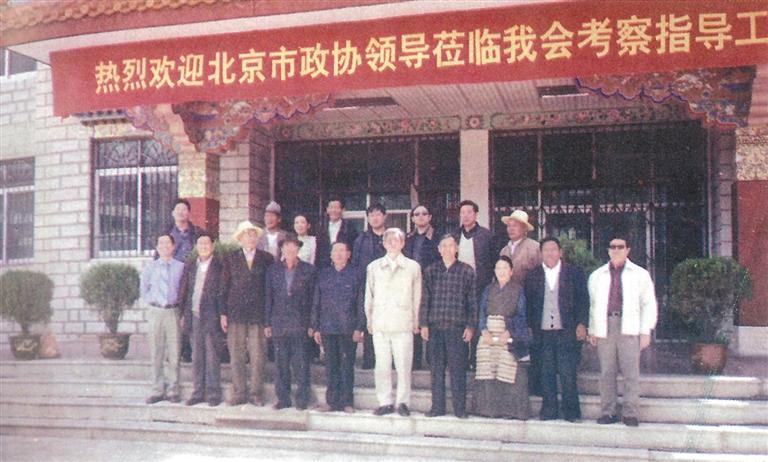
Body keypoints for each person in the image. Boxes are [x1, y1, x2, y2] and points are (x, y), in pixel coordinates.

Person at [588, 233, 657, 427]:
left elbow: (648, 304)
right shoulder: (597, 276)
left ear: (628, 250)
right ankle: (608, 412)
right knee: (606, 372)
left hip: (629, 326)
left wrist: (646, 330)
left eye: (620, 247)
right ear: (608, 250)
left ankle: (630, 413)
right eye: (613, 247)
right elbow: (593, 305)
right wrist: (593, 329)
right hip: (605, 326)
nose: (616, 250)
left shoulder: (640, 274)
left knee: (630, 372)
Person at [524, 237, 589, 422]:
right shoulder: (533, 275)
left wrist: (582, 324)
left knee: (568, 373)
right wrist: (529, 327)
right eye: (546, 250)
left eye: (553, 249)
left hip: (566, 330)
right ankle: (549, 410)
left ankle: (571, 412)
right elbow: (528, 305)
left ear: (560, 252)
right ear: (541, 253)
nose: (550, 253)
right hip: (542, 332)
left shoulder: (573, 273)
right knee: (546, 372)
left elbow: (583, 301)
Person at [365, 228, 421, 417]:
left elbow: (417, 296)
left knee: (404, 365)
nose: (392, 243)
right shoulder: (374, 267)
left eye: (396, 240)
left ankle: (403, 402)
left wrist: (416, 320)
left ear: (403, 243)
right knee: (382, 366)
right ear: (383, 243)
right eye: (388, 240)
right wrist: (369, 319)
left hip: (403, 322)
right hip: (380, 322)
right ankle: (385, 402)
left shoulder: (413, 267)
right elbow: (369, 295)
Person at [420, 234, 477, 418]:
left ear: (456, 248)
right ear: (439, 249)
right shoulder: (431, 271)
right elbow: (425, 299)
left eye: (450, 245)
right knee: (436, 371)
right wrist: (423, 324)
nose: (447, 249)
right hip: (435, 328)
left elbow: (472, 301)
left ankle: (460, 409)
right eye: (443, 246)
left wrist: (471, 326)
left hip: (457, 328)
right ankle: (437, 407)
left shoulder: (466, 271)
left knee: (457, 370)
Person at [220, 221, 274, 406]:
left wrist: (268, 316)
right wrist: (223, 313)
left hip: (258, 313)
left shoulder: (266, 258)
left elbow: (269, 288)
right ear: (240, 238)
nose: (250, 238)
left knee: (258, 354)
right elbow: (224, 286)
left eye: (253, 235)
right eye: (246, 235)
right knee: (236, 354)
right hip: (235, 312)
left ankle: (256, 393)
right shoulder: (230, 258)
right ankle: (239, 392)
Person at [471, 256, 531, 420]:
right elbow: (482, 312)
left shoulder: (518, 290)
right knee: (487, 370)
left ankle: (511, 411)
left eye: (505, 268)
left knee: (508, 370)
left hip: (508, 333)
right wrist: (483, 330)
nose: (501, 271)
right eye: (498, 268)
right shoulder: (488, 289)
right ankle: (488, 410)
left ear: (511, 271)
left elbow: (521, 315)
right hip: (489, 333)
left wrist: (509, 332)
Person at [311, 241, 365, 413]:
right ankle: (331, 401)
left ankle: (347, 402)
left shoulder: (356, 274)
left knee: (347, 365)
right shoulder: (323, 274)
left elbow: (361, 302)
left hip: (348, 327)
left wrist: (359, 327)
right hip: (328, 326)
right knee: (330, 366)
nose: (339, 254)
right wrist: (316, 326)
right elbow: (317, 301)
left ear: (349, 254)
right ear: (331, 255)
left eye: (342, 250)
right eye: (335, 251)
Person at [265, 234, 316, 410]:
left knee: (301, 363)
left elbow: (313, 299)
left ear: (298, 249)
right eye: (286, 246)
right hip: (279, 323)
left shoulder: (309, 270)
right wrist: (267, 323)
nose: (289, 249)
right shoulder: (273, 270)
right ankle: (283, 399)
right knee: (281, 364)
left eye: (293, 246)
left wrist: (312, 324)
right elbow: (268, 298)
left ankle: (302, 399)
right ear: (282, 249)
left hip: (300, 323)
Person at [499, 210, 542, 395]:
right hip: (509, 305)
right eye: (509, 225)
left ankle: (533, 386)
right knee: (512, 346)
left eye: (515, 225)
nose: (511, 228)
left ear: (524, 228)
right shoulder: (504, 250)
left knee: (529, 344)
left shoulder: (534, 248)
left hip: (530, 304)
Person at [178, 232, 223, 407]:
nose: (204, 246)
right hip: (194, 315)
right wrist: (183, 314)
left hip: (212, 316)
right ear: (196, 247)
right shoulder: (191, 265)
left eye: (207, 243)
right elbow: (185, 290)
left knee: (212, 356)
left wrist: (221, 315)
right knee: (196, 356)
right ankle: (197, 392)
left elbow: (222, 292)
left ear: (212, 246)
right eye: (200, 243)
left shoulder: (219, 266)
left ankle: (213, 393)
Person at [140, 234, 185, 404]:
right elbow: (144, 290)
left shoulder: (181, 267)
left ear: (173, 247)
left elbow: (183, 290)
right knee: (156, 352)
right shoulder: (150, 268)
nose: (164, 246)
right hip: (156, 312)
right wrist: (153, 303)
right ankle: (157, 390)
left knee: (174, 352)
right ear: (157, 247)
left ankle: (173, 390)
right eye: (161, 243)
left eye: (168, 243)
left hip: (172, 312)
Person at [163, 198, 205, 363]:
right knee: (173, 314)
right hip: (172, 279)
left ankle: (187, 350)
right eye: (178, 209)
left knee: (188, 312)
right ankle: (173, 351)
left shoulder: (196, 233)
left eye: (184, 209)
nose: (181, 212)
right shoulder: (166, 233)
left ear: (189, 213)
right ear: (173, 213)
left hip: (190, 278)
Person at [453, 200, 492, 371]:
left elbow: (493, 261)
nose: (466, 215)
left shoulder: (486, 235)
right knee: (460, 323)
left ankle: (475, 360)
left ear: (476, 214)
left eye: (469, 212)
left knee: (476, 322)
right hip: (458, 287)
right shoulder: (454, 235)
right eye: (462, 212)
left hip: (480, 286)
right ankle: (460, 361)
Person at [404, 204, 440, 370]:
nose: (420, 216)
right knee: (414, 321)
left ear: (430, 217)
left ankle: (433, 361)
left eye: (424, 213)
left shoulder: (437, 237)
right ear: (412, 218)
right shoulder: (408, 238)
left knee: (430, 321)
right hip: (412, 285)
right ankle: (415, 360)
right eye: (417, 214)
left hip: (432, 284)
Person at [352, 203, 387, 370]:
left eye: (378, 214)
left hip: (388, 287)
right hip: (367, 285)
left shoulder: (392, 236)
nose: (375, 218)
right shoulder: (361, 239)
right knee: (369, 321)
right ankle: (369, 359)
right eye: (371, 215)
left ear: (385, 216)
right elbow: (356, 264)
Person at [315, 196, 358, 269]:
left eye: (337, 207)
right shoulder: (320, 228)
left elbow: (353, 250)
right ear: (327, 210)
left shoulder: (349, 228)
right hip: (324, 267)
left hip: (344, 267)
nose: (334, 210)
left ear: (343, 210)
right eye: (331, 207)